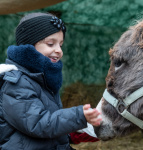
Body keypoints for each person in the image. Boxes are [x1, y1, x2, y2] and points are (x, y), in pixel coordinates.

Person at [0, 12, 102, 150]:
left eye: (60, 44)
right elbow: (38, 123)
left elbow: (49, 124)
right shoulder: (16, 84)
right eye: (50, 44)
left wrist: (76, 132)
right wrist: (78, 117)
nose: (59, 50)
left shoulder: (41, 79)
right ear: (28, 46)